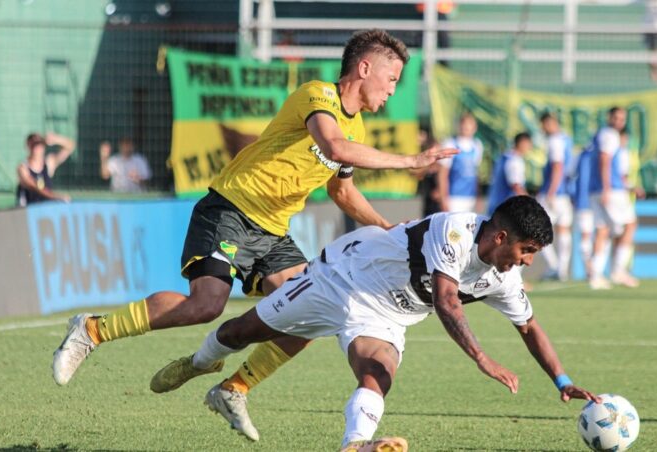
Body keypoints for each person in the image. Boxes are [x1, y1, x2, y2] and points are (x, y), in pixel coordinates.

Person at [51, 29, 457, 442]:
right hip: (230, 209)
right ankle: (92, 330)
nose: (393, 89)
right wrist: (409, 160)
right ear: (364, 67)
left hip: (274, 232)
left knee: (310, 310)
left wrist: (386, 229)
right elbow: (332, 147)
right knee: (207, 305)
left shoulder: (359, 131)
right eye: (391, 78)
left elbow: (341, 190)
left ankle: (234, 388)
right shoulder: (317, 96)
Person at [153, 195, 599, 451]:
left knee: (378, 373)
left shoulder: (503, 275)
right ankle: (200, 364)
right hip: (344, 281)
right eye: (526, 251)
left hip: (389, 316)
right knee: (240, 332)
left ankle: (356, 445)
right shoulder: (456, 233)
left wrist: (562, 379)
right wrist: (483, 358)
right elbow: (446, 301)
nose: (525, 262)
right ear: (501, 237)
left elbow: (529, 326)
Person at [587, 107, 628, 290]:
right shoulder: (610, 135)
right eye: (616, 117)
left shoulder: (602, 134)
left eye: (622, 118)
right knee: (629, 225)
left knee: (603, 229)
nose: (619, 121)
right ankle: (618, 271)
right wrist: (607, 188)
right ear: (609, 117)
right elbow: (605, 160)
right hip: (610, 190)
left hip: (598, 189)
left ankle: (596, 275)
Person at [537, 112, 574, 282]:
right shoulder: (567, 139)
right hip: (565, 193)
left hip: (553, 193)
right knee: (563, 229)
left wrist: (551, 191)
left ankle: (554, 266)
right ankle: (562, 269)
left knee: (537, 230)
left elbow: (558, 167)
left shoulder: (554, 140)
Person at [607, 130, 642, 288]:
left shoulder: (606, 152)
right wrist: (632, 187)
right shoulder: (620, 152)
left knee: (615, 232)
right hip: (617, 193)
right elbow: (622, 176)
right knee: (630, 226)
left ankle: (615, 270)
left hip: (609, 193)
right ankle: (618, 271)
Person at [438, 112, 484, 213]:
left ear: (475, 127)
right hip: (454, 198)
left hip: (470, 198)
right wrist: (443, 199)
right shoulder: (450, 143)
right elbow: (443, 175)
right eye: (464, 123)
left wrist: (478, 196)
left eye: (470, 124)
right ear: (459, 125)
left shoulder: (477, 145)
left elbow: (476, 174)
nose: (467, 127)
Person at [16, 132, 74, 206]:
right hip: (27, 211)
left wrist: (56, 139)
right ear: (28, 146)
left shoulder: (49, 163)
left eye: (40, 144)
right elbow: (34, 186)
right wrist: (55, 197)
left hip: (45, 211)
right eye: (34, 145)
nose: (37, 148)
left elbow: (70, 146)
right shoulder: (23, 168)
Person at [486, 132, 531, 216]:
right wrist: (530, 203)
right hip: (505, 209)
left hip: (495, 204)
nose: (530, 147)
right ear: (522, 143)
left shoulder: (503, 157)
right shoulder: (515, 160)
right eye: (529, 144)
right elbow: (516, 185)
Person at [571, 144, 595, 282]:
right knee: (588, 235)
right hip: (588, 201)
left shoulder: (581, 155)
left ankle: (593, 270)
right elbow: (571, 176)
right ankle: (590, 270)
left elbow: (570, 175)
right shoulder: (583, 155)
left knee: (601, 235)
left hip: (588, 201)